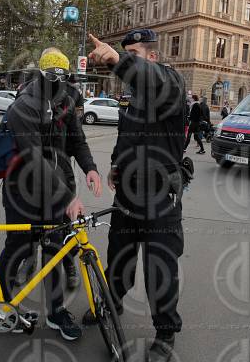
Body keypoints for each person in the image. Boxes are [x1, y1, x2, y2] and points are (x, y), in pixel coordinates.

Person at [86, 29, 185, 362]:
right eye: (124, 53)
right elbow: (125, 134)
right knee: (119, 256)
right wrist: (115, 164)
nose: (127, 59)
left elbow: (152, 78)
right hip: (127, 193)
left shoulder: (170, 84)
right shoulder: (131, 95)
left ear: (152, 57)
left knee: (160, 268)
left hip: (160, 197)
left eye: (134, 54)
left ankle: (166, 331)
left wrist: (116, 58)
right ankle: (113, 302)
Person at [0, 49, 101, 341]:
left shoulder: (65, 100)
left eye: (64, 76)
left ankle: (56, 313)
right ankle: (1, 305)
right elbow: (32, 159)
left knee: (56, 251)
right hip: (23, 191)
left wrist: (90, 168)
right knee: (17, 247)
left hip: (56, 189)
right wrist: (68, 197)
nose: (60, 82)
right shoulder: (24, 105)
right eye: (55, 76)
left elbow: (78, 140)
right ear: (42, 74)